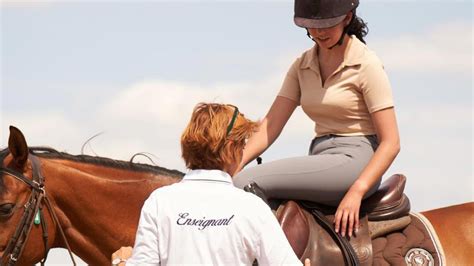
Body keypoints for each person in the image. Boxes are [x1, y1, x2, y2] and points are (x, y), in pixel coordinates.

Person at [233, 0, 401, 239]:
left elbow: (391, 142)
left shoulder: (366, 65)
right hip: (322, 157)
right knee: (235, 178)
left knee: (245, 182)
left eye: (327, 24)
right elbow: (270, 125)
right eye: (313, 25)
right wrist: (233, 165)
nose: (320, 32)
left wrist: (357, 190)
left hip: (358, 162)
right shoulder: (301, 65)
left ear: (347, 18)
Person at [112, 103, 308, 265]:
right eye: (243, 144)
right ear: (232, 148)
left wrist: (120, 262)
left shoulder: (159, 202)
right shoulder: (252, 207)